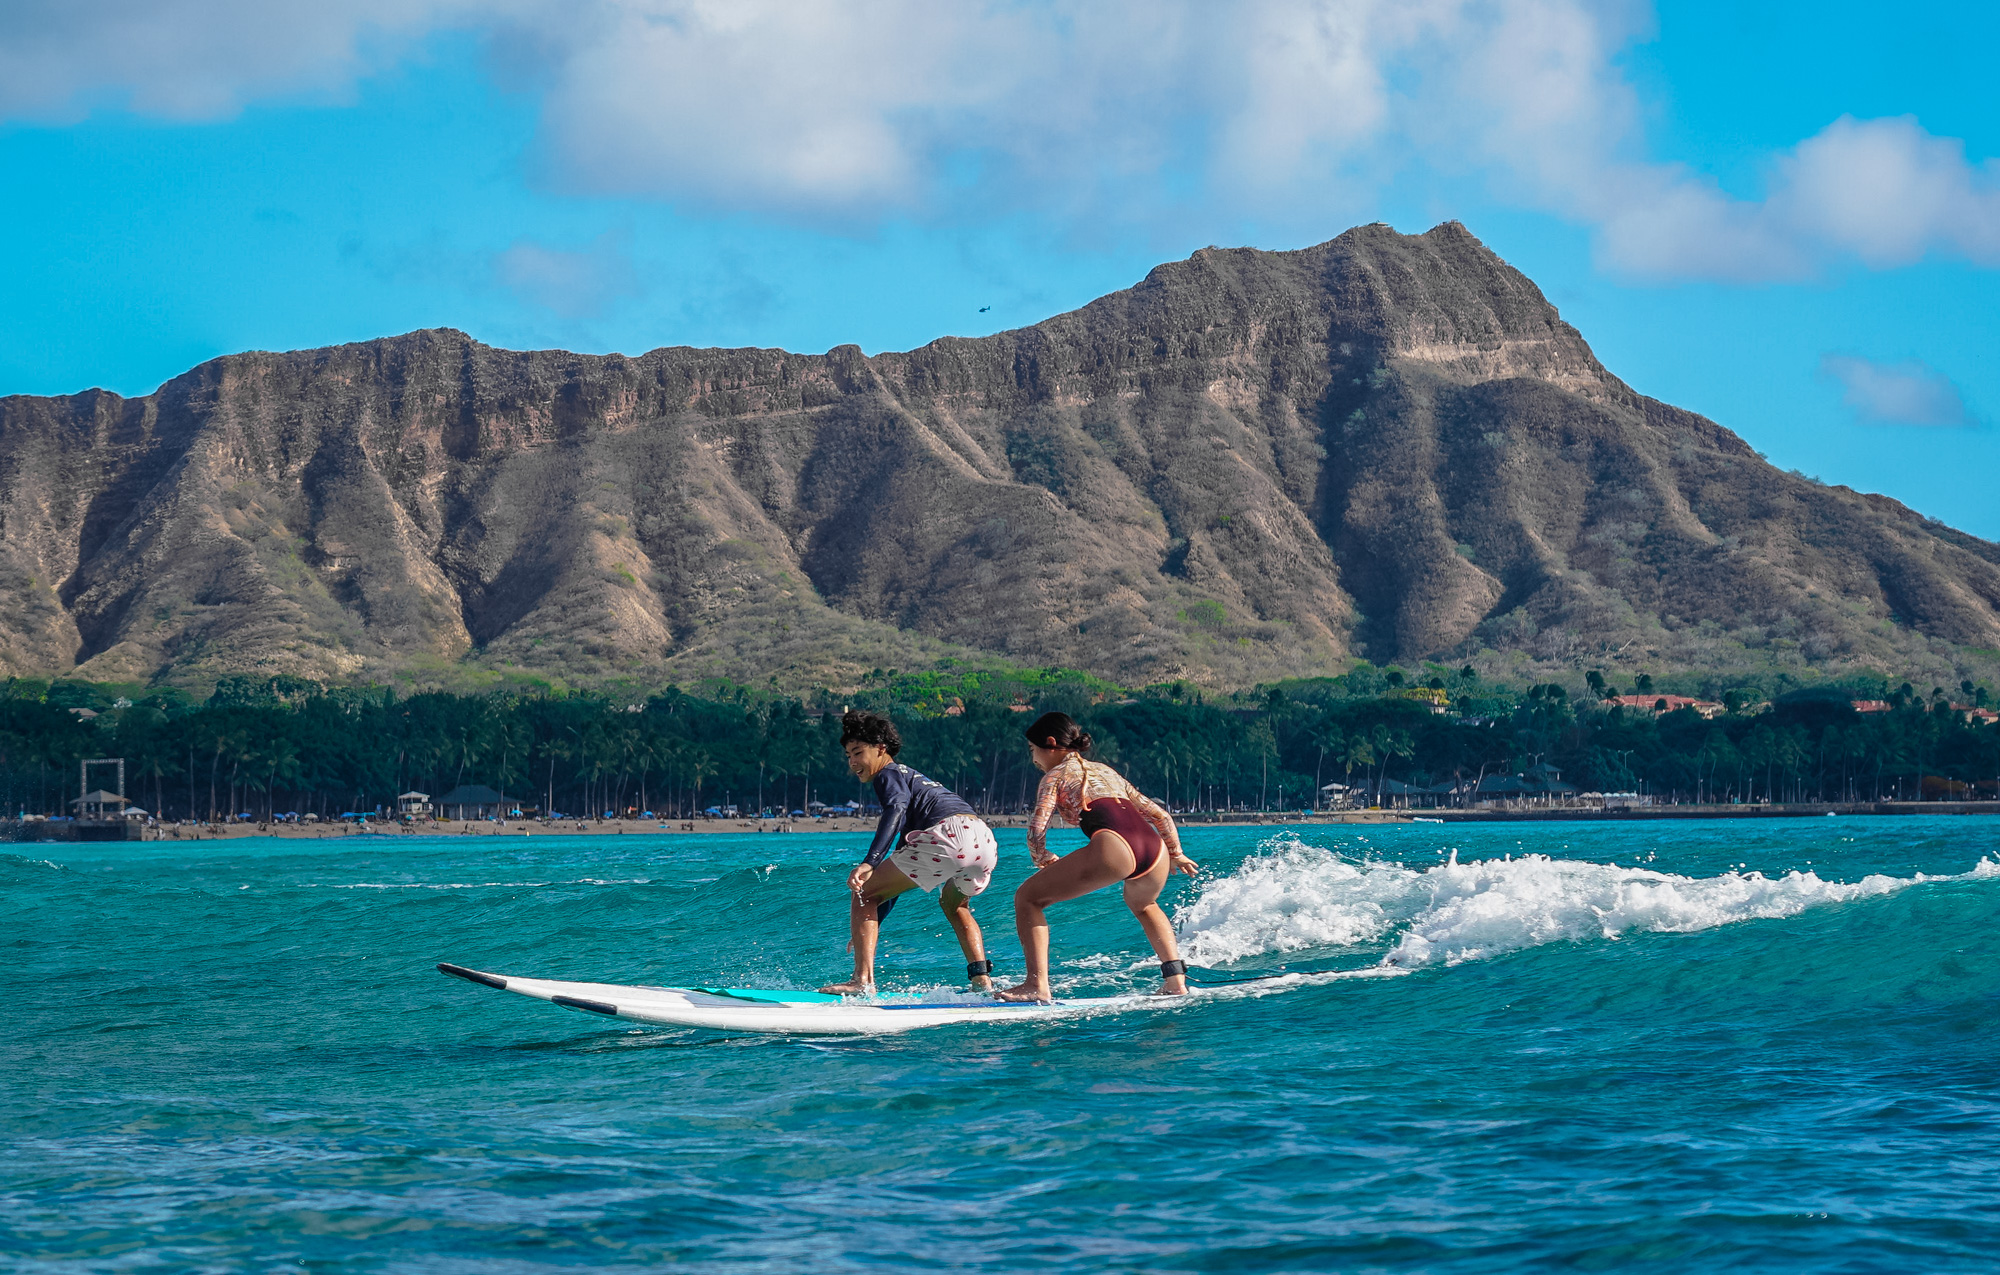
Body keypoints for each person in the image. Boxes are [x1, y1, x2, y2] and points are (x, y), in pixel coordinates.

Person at [998, 712, 1199, 1003]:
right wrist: (1176, 853)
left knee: (1027, 898)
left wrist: (1041, 856)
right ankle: (1175, 981)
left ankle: (1036, 985)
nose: (1033, 759)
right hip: (1155, 850)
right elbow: (1161, 816)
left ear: (1050, 744)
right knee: (1145, 904)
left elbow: (1037, 827)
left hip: (1116, 845)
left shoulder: (1054, 776)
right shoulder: (1106, 771)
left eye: (1032, 750)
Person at [819, 710, 1001, 996]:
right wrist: (870, 922)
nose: (852, 762)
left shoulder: (888, 773)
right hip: (983, 839)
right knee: (955, 905)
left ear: (881, 748)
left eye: (858, 752)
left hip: (948, 835)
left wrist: (869, 863)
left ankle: (862, 980)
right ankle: (982, 982)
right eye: (848, 755)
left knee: (863, 891)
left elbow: (895, 807)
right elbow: (896, 876)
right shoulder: (916, 781)